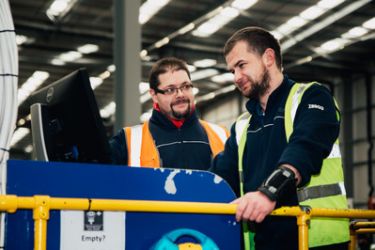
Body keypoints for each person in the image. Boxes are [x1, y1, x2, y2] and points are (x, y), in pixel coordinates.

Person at [210, 27, 349, 250]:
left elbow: (304, 148)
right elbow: (219, 179)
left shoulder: (312, 97)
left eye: (242, 65)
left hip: (315, 241)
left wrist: (269, 192)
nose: (236, 77)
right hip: (264, 243)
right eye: (232, 70)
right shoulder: (243, 125)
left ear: (268, 57)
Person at [110, 57, 229, 170]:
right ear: (154, 95)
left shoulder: (223, 135)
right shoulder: (127, 141)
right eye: (170, 90)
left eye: (186, 86)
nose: (180, 94)